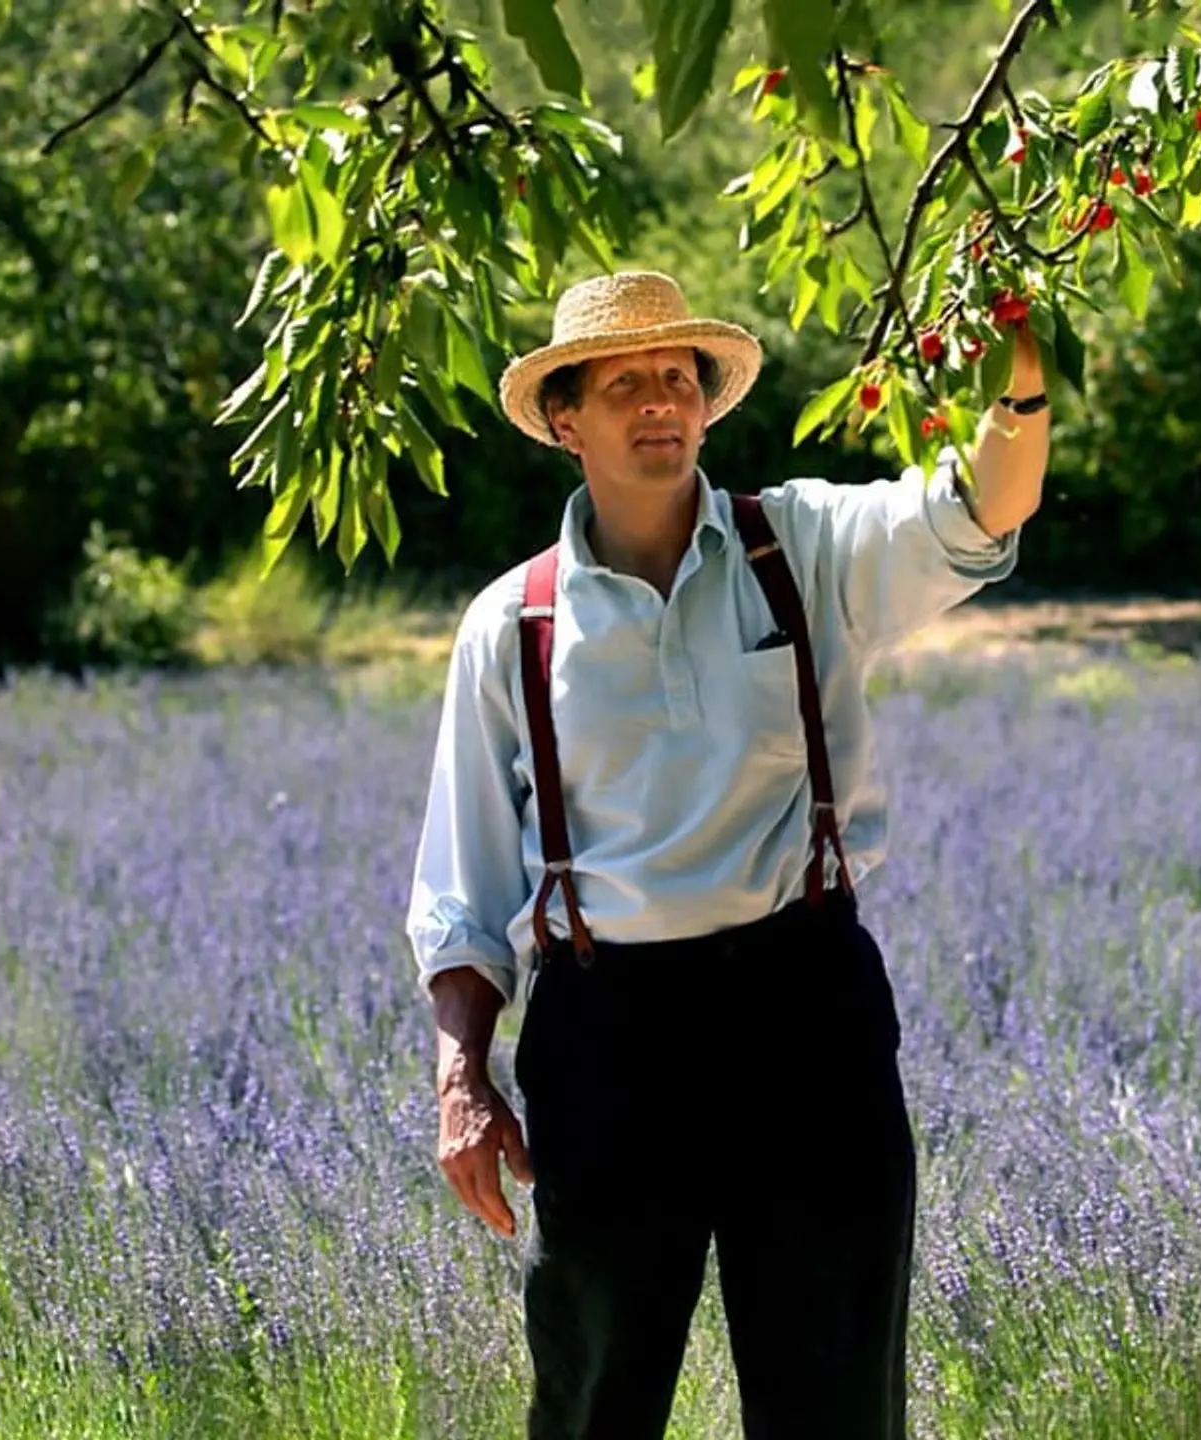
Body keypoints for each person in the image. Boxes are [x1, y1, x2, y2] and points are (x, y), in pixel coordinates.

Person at [403, 269, 1046, 1438]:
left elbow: (978, 511)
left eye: (676, 379)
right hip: (609, 1033)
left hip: (804, 1008)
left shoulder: (797, 544)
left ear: (704, 404)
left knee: (837, 1399)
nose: (659, 402)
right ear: (566, 420)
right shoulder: (514, 624)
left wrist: (1026, 382)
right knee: (597, 1401)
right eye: (624, 384)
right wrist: (464, 1079)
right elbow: (464, 885)